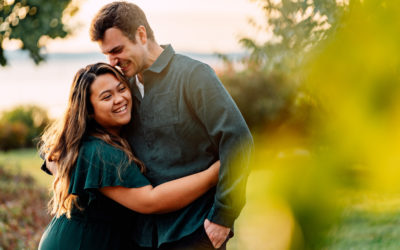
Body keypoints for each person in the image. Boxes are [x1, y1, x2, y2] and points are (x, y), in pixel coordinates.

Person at [89, 2, 254, 249]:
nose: (113, 62)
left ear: (141, 35)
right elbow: (83, 122)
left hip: (194, 230)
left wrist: (224, 217)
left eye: (117, 50)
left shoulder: (194, 75)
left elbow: (238, 140)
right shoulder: (124, 92)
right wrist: (52, 155)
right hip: (142, 236)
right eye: (107, 55)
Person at [38, 63, 221, 250]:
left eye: (122, 89)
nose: (119, 99)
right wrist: (213, 175)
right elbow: (151, 201)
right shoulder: (100, 152)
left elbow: (50, 156)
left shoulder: (103, 141)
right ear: (89, 111)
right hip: (79, 243)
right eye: (107, 97)